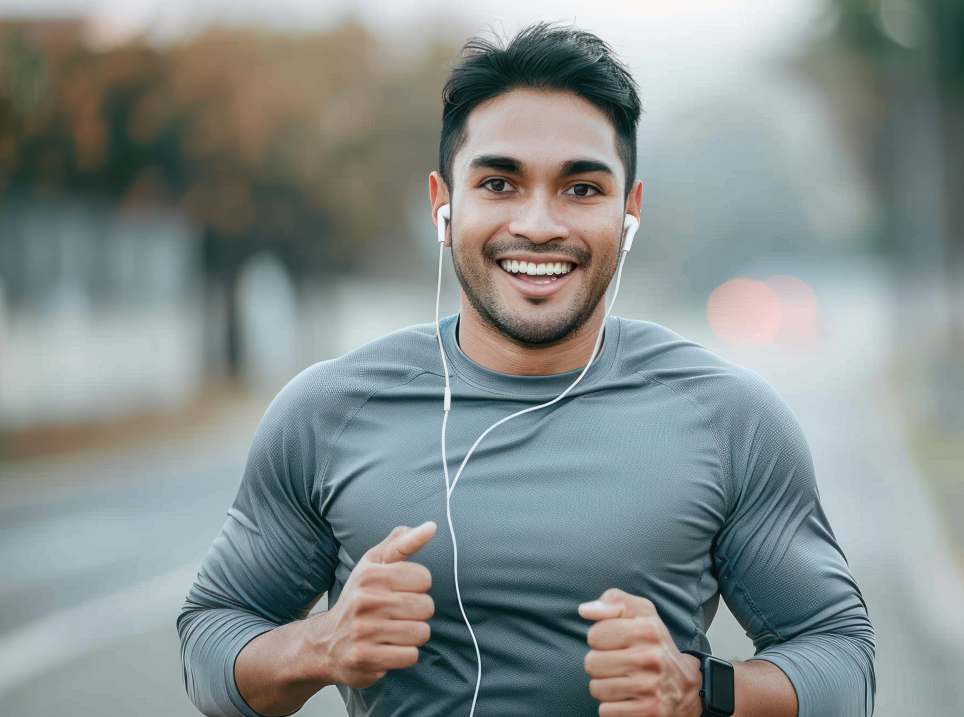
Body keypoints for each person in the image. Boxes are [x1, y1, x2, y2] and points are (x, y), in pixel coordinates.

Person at [178, 22, 875, 717]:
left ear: (629, 212)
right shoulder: (328, 411)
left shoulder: (730, 418)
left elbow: (841, 661)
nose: (539, 223)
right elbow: (211, 637)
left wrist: (699, 689)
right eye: (500, 182)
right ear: (442, 205)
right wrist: (319, 645)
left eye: (581, 188)